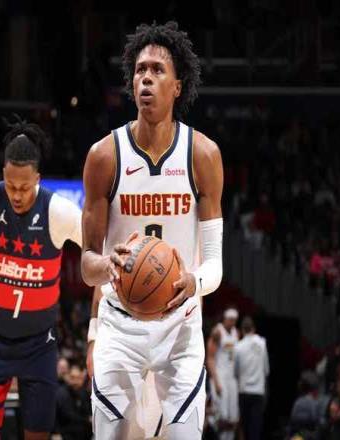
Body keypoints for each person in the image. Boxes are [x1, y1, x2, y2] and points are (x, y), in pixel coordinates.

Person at [82, 21, 224, 439]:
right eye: (140, 70)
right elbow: (87, 265)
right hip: (119, 324)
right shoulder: (104, 156)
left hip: (180, 324)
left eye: (157, 70)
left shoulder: (202, 155)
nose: (146, 77)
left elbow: (214, 265)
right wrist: (107, 265)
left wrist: (193, 281)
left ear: (178, 86)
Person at [0, 117, 82, 440]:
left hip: (40, 347)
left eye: (24, 187)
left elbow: (96, 249)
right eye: (10, 186)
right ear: (3, 175)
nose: (16, 195)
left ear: (38, 179)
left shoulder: (59, 211)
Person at [206, 308, 239, 440]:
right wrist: (216, 381)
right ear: (225, 319)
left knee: (233, 416)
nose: (232, 322)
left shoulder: (236, 332)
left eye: (234, 320)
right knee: (221, 415)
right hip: (219, 376)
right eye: (230, 320)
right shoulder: (217, 332)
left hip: (231, 377)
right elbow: (210, 358)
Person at [234, 317, 269, 440]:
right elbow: (266, 369)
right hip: (258, 392)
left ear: (242, 330)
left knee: (244, 427)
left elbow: (236, 372)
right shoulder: (262, 344)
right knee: (255, 427)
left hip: (244, 391)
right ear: (253, 329)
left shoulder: (238, 347)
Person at [54, 365, 92, 440]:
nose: (75, 381)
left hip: (82, 434)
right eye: (72, 377)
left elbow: (88, 414)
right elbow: (55, 416)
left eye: (78, 378)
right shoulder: (60, 394)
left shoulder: (84, 393)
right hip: (65, 434)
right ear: (68, 377)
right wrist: (56, 433)